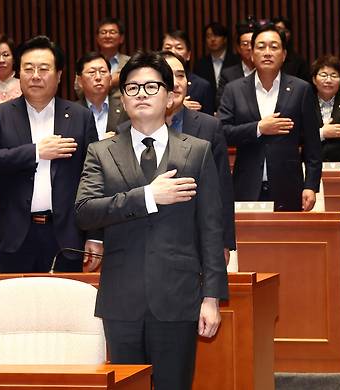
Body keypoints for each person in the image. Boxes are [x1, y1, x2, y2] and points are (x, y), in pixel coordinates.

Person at [75, 51, 228, 390]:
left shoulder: (197, 151)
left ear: (170, 95)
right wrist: (147, 196)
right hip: (121, 299)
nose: (141, 93)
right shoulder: (101, 151)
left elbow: (211, 229)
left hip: (179, 296)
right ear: (123, 98)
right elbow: (85, 212)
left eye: (151, 86)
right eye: (132, 88)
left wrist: (212, 298)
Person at [0, 35, 99, 273]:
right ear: (18, 73)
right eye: (28, 68)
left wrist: (95, 235)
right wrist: (36, 151)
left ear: (59, 75)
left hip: (66, 235)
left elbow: (94, 179)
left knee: (64, 306)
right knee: (13, 306)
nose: (35, 76)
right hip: (12, 236)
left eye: (44, 69)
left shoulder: (80, 117)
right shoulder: (0, 115)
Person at [218, 24, 322, 211]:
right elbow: (222, 132)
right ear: (251, 54)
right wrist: (259, 128)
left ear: (284, 54)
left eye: (274, 47)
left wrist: (311, 185)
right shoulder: (234, 90)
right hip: (246, 184)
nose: (267, 52)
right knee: (248, 240)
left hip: (289, 186)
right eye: (260, 47)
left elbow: (313, 145)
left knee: (287, 239)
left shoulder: (301, 89)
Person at [162, 50, 236, 262]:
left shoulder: (209, 126)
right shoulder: (132, 129)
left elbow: (222, 188)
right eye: (167, 75)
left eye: (180, 75)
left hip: (198, 239)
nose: (175, 83)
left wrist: (224, 242)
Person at [75, 52, 128, 140]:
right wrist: (99, 140)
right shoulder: (72, 112)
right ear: (80, 81)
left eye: (103, 72)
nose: (98, 77)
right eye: (92, 72)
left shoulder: (125, 108)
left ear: (110, 79)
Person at [162, 30, 215, 115]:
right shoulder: (152, 81)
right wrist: (178, 105)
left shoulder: (202, 86)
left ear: (188, 55)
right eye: (168, 48)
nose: (173, 52)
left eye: (179, 48)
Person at [193, 22, 240, 105]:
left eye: (217, 35)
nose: (212, 39)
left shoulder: (237, 61)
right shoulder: (200, 64)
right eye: (209, 36)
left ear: (225, 39)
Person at [216, 21, 256, 107]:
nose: (249, 48)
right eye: (245, 44)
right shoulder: (228, 74)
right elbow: (221, 102)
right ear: (238, 48)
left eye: (253, 44)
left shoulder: (267, 70)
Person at [96, 17, 130, 93]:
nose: (107, 36)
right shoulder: (88, 62)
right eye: (103, 32)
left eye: (112, 32)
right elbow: (79, 90)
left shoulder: (130, 62)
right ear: (97, 38)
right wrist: (111, 82)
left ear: (121, 38)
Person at [272, 16, 310, 81]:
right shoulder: (263, 56)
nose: (281, 33)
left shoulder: (298, 62)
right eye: (278, 29)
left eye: (285, 31)